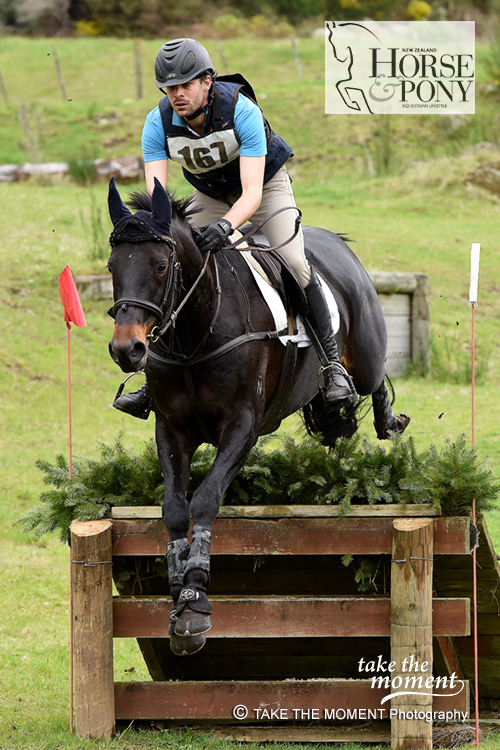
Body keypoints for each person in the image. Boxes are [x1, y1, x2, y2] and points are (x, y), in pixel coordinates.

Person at [114, 37, 355, 419]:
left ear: (207, 81)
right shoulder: (156, 123)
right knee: (184, 267)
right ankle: (154, 379)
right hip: (209, 195)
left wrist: (226, 227)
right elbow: (157, 201)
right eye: (169, 87)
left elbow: (253, 193)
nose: (177, 94)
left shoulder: (241, 109)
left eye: (185, 85)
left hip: (265, 190)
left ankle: (332, 366)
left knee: (294, 262)